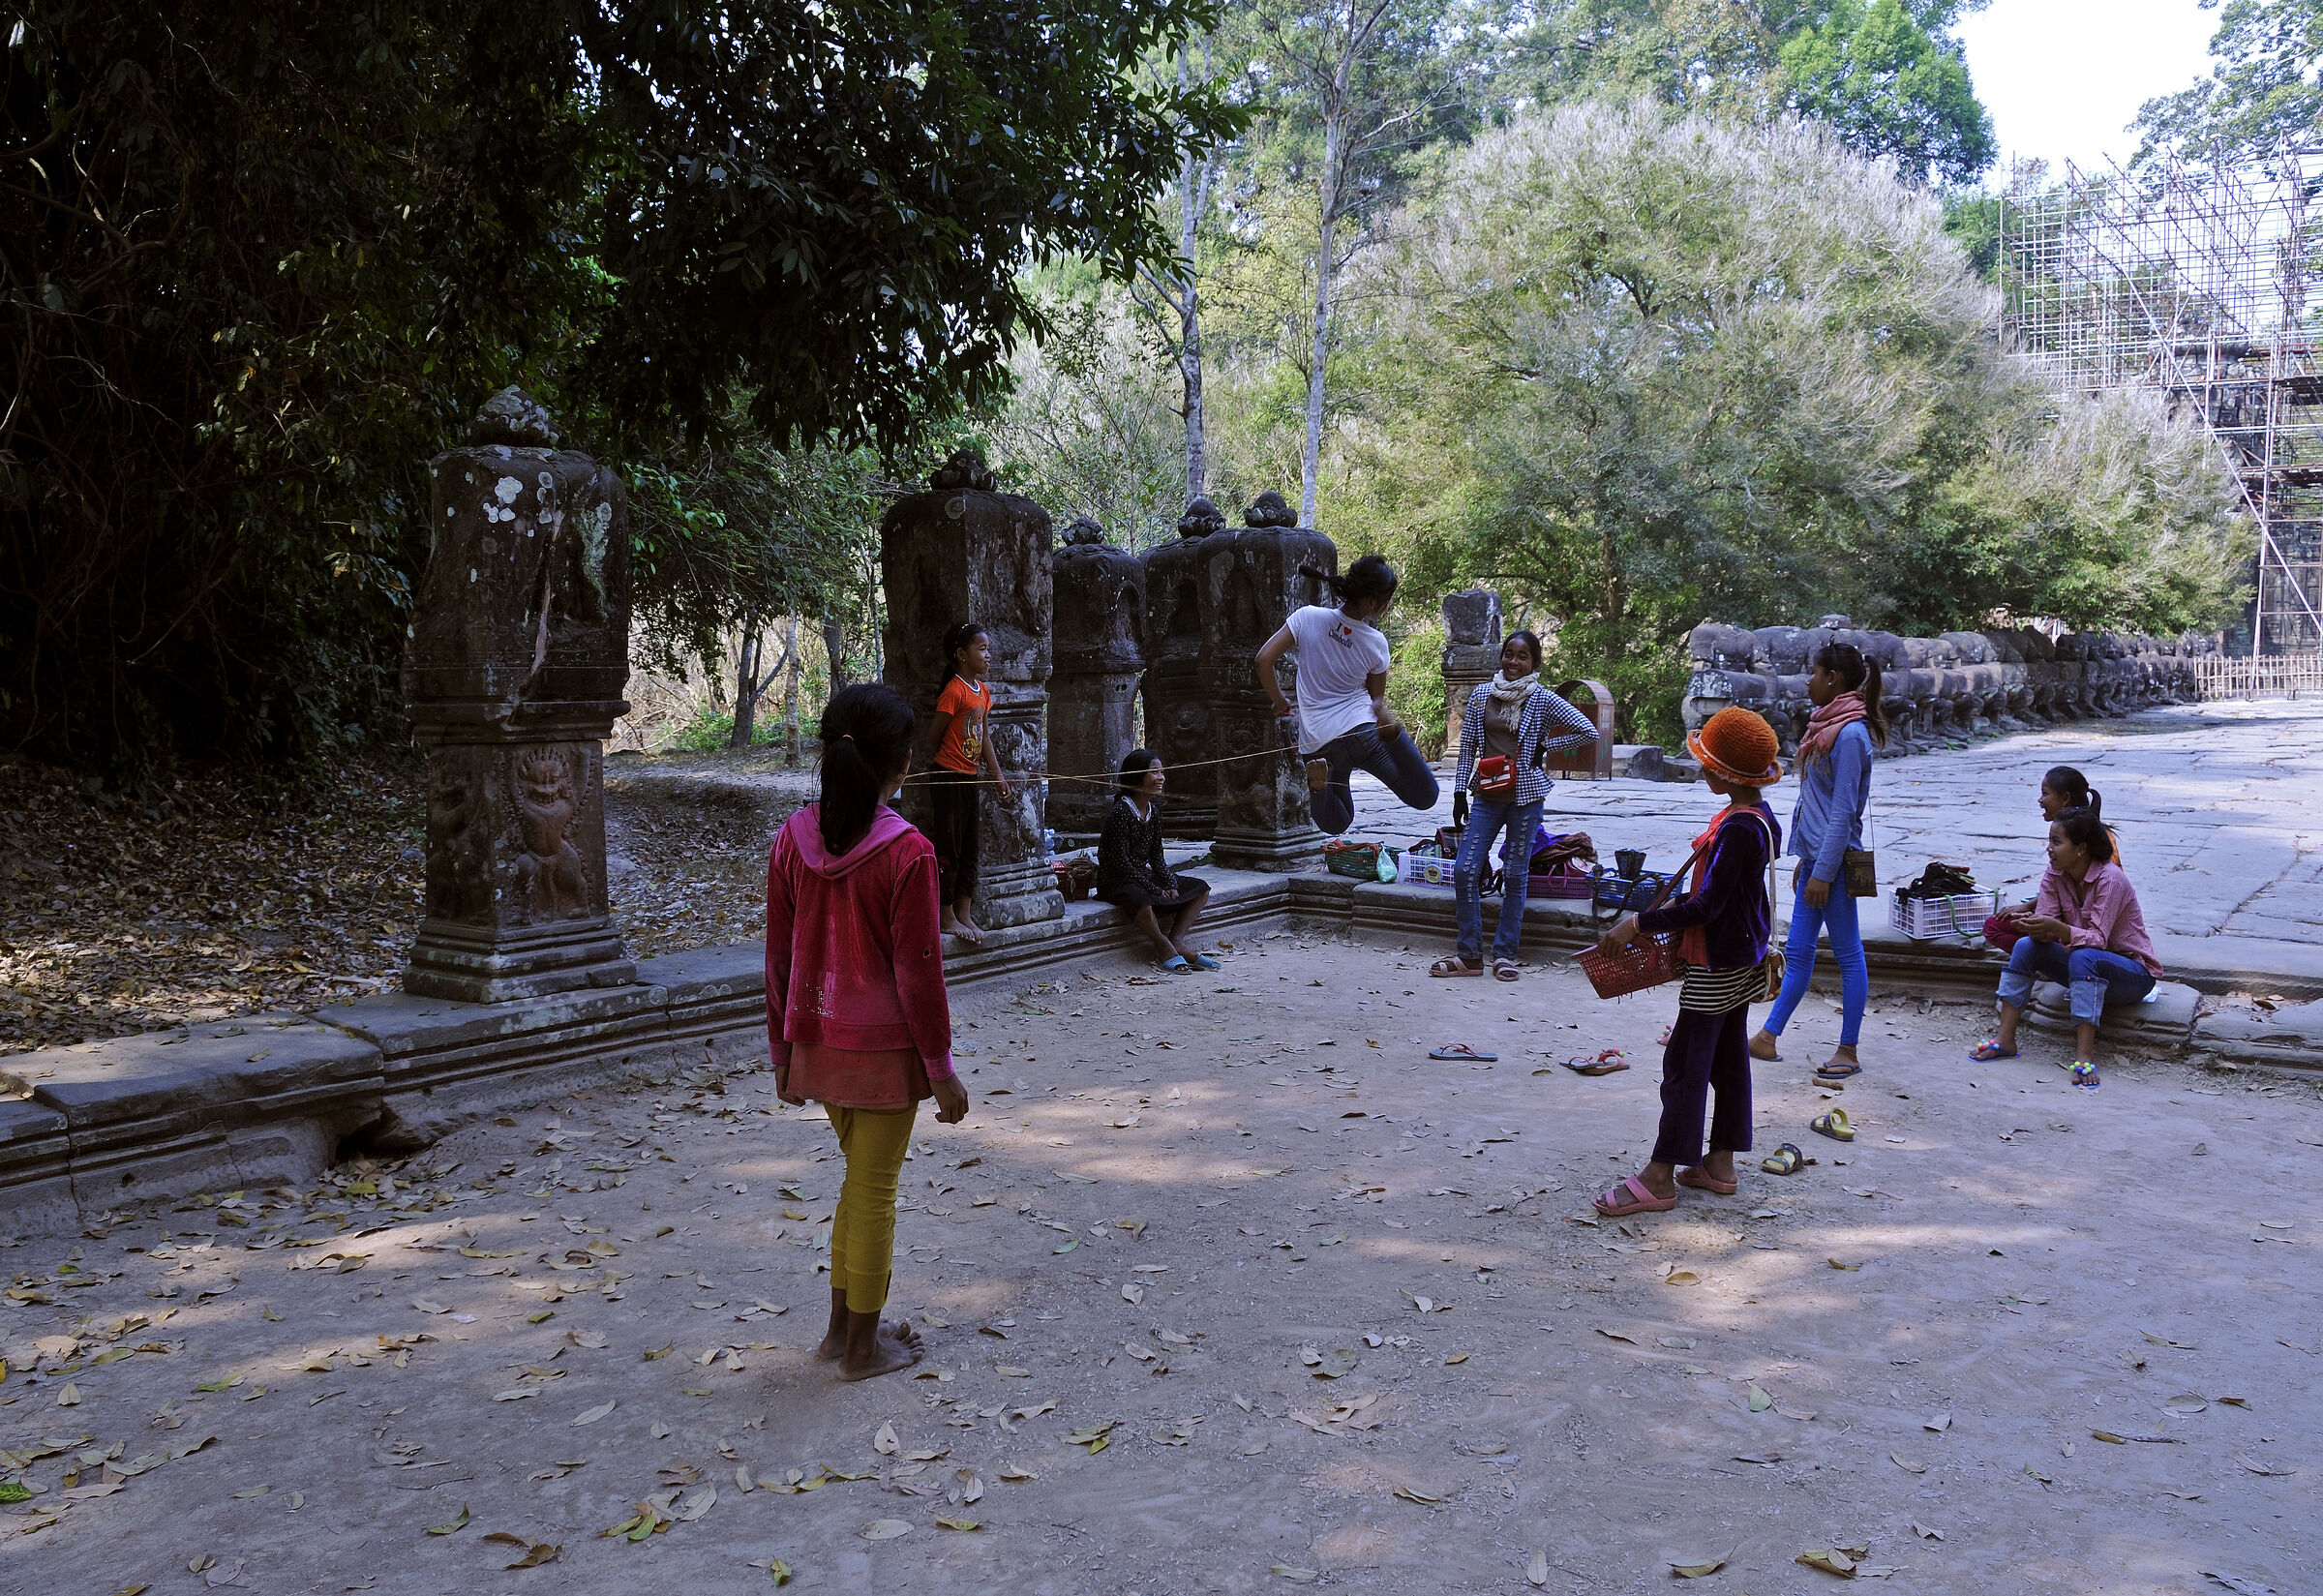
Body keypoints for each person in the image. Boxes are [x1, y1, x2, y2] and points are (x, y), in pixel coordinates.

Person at [767, 684, 971, 1381]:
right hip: (883, 1052)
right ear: (905, 764)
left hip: (818, 1042)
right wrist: (941, 1069)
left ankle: (839, 1333)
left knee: (860, 1182)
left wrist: (781, 1050)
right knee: (874, 1189)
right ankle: (861, 1348)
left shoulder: (791, 839)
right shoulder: (908, 853)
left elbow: (779, 954)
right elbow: (919, 973)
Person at [1590, 708, 1783, 1217]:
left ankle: (1660, 1176)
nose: (1701, 771)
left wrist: (1636, 924)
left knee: (1684, 1064)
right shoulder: (1762, 817)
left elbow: (1707, 907)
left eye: (1707, 765)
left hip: (1717, 962)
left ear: (1726, 774)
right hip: (1746, 955)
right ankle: (1719, 1163)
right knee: (1726, 1059)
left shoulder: (1738, 828)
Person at [1751, 641, 1885, 1083]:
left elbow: (1844, 812)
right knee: (1798, 951)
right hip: (1818, 860)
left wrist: (1823, 872)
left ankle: (1848, 1049)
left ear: (1834, 679)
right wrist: (1805, 862)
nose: (1808, 680)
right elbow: (1819, 804)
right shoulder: (1828, 727)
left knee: (1847, 953)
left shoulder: (1849, 735)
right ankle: (1768, 1036)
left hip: (1838, 864)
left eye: (1814, 672)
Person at [1432, 630, 1597, 980]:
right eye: (1509, 654)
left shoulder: (1542, 699)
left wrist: (1546, 748)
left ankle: (1504, 954)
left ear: (1534, 663)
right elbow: (1469, 747)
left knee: (1516, 873)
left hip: (1527, 797)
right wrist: (1460, 792)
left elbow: (1588, 731)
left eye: (1522, 656)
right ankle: (1470, 956)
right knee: (1465, 869)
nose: (1513, 662)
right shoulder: (1481, 696)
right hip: (1486, 796)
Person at [1969, 807, 2159, 1080]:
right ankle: (2005, 1040)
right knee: (2024, 946)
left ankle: (2084, 1057)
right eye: (2049, 841)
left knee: (2084, 956)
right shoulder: (2055, 873)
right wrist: (2034, 927)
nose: (2049, 849)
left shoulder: (2110, 879)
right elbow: (2048, 921)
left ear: (2081, 848)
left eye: (2056, 842)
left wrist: (2058, 929)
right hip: (2086, 962)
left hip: (2132, 974)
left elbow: (2098, 939)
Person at [1253, 555, 1438, 835]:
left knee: (1337, 822)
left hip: (1318, 743)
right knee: (1425, 795)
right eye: (1387, 601)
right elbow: (1376, 701)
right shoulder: (1376, 643)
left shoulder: (1307, 617)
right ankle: (1395, 736)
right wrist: (1384, 723)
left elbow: (1263, 660)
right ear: (1371, 604)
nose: (1387, 607)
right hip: (1362, 734)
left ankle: (1318, 789)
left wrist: (1279, 701)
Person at [921, 620, 1012, 946]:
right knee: (949, 848)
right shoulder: (954, 691)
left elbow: (984, 736)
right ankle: (946, 915)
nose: (988, 655)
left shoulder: (982, 692)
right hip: (949, 778)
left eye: (988, 649)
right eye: (982, 649)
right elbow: (935, 734)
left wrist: (997, 774)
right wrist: (952, 763)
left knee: (971, 847)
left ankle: (964, 911)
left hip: (970, 778)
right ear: (962, 654)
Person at [1096, 749, 1217, 974]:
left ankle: (1177, 940)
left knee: (1200, 888)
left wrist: (1169, 884)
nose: (1161, 778)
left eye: (1162, 772)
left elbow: (1156, 857)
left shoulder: (1153, 811)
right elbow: (1121, 864)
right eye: (1154, 772)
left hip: (1141, 875)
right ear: (1137, 776)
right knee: (1140, 897)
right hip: (1117, 880)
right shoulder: (1121, 813)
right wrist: (1153, 888)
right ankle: (1163, 947)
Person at [1984, 767, 2120, 952]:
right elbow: (2054, 887)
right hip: (2060, 919)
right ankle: (2043, 958)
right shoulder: (2058, 849)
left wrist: (2054, 924)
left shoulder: (2100, 841)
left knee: (2080, 949)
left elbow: (2106, 897)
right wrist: (2032, 912)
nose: (2040, 801)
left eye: (2045, 794)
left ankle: (2050, 959)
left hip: (2088, 927)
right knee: (1994, 925)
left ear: (2065, 799)